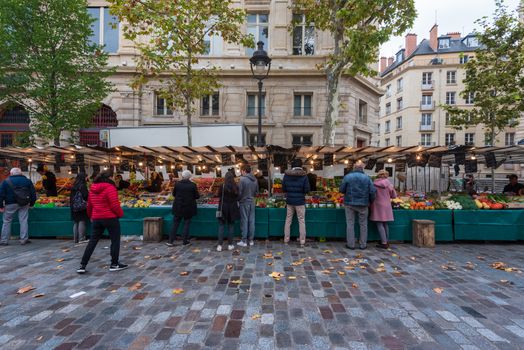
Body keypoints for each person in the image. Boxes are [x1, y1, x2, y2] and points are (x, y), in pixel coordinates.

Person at [77, 171, 127, 274]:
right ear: (109, 177)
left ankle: (83, 265)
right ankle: (114, 264)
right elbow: (114, 205)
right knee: (115, 241)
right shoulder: (110, 188)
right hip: (110, 218)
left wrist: (91, 216)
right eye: (113, 176)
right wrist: (120, 214)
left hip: (96, 218)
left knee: (92, 241)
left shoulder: (92, 188)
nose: (114, 178)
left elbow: (89, 205)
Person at [339, 162, 376, 250]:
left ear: (354, 168)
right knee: (363, 224)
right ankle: (363, 244)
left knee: (350, 224)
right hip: (363, 204)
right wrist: (371, 201)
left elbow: (341, 189)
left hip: (349, 203)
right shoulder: (367, 178)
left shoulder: (347, 177)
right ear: (362, 168)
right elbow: (373, 191)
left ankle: (351, 244)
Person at [0, 168, 36, 245]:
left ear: (11, 173)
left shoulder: (5, 182)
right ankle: (24, 239)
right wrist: (32, 204)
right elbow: (33, 194)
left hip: (10, 203)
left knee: (6, 221)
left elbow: (1, 195)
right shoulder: (27, 181)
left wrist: (1, 206)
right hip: (24, 203)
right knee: (23, 221)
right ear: (21, 173)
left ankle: (4, 240)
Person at [166, 170, 199, 246]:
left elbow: (174, 194)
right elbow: (197, 196)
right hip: (188, 207)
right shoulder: (193, 185)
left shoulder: (177, 184)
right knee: (186, 224)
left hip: (178, 206)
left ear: (182, 176)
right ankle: (185, 241)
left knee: (175, 224)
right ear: (190, 177)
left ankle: (170, 241)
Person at [282, 159, 310, 246]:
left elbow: (284, 189)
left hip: (290, 201)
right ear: (301, 166)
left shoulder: (286, 175)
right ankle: (302, 240)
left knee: (288, 220)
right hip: (300, 201)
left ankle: (286, 239)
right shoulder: (304, 176)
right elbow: (307, 189)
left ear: (292, 166)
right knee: (301, 220)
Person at [370, 170, 397, 249]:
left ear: (378, 175)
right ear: (386, 175)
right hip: (387, 205)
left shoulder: (374, 184)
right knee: (385, 223)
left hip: (377, 205)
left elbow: (372, 194)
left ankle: (384, 242)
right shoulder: (389, 184)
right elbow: (394, 196)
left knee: (379, 223)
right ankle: (386, 240)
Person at [216, 171, 240, 252]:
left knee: (221, 226)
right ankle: (230, 245)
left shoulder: (222, 186)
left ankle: (219, 245)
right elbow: (238, 197)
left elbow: (218, 195)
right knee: (231, 226)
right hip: (232, 208)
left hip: (223, 207)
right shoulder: (235, 186)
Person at [237, 164, 258, 247]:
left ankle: (244, 241)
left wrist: (238, 199)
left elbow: (239, 193)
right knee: (252, 221)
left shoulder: (242, 179)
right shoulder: (255, 179)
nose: (241, 173)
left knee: (244, 221)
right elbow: (257, 193)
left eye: (241, 171)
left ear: (244, 171)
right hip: (252, 202)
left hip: (244, 202)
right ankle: (251, 240)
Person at [70, 173, 89, 244]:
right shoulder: (82, 186)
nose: (87, 179)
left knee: (76, 222)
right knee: (82, 221)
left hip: (74, 206)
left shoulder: (74, 185)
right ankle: (81, 239)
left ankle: (75, 239)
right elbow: (85, 195)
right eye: (86, 177)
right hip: (81, 206)